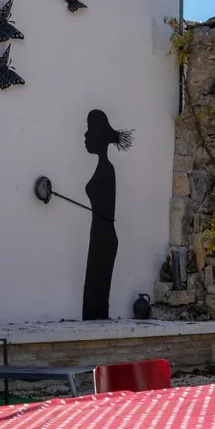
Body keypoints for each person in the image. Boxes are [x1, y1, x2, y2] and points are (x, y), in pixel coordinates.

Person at [81, 109, 131, 320]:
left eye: (89, 129)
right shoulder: (103, 168)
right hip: (100, 236)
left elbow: (105, 211)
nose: (85, 135)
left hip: (103, 238)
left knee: (95, 297)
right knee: (93, 296)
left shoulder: (106, 169)